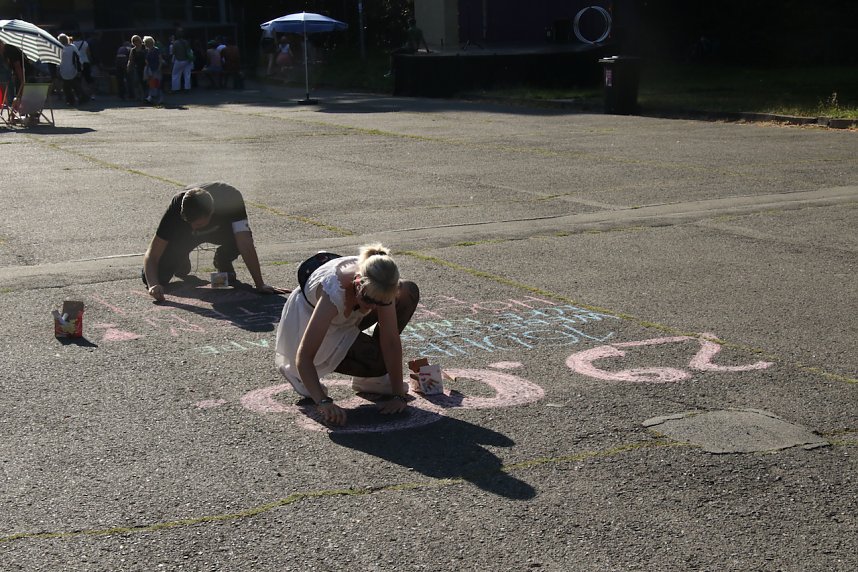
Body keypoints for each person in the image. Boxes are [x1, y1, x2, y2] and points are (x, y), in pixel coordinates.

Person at [274, 244, 420, 427]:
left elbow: (390, 341)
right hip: (315, 324)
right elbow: (304, 357)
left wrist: (399, 394)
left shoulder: (381, 282)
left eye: (380, 303)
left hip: (348, 313)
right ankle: (297, 375)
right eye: (369, 300)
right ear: (358, 282)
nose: (372, 308)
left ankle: (371, 379)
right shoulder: (333, 293)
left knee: (408, 292)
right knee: (371, 359)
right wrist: (323, 401)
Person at [143, 182, 286, 301]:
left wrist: (260, 284)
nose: (193, 226)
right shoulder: (176, 207)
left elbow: (245, 244)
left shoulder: (231, 199)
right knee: (153, 276)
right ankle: (181, 258)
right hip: (185, 238)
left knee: (242, 237)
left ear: (211, 212)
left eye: (197, 224)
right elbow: (153, 253)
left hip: (221, 232)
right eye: (188, 222)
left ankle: (223, 258)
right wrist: (153, 284)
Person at [57, 33, 88, 106]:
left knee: (66, 87)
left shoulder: (59, 48)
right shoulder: (72, 47)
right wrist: (79, 69)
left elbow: (57, 60)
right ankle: (82, 97)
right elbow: (78, 59)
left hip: (63, 69)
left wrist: (58, 69)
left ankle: (70, 100)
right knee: (76, 85)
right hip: (73, 68)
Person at [0, 38, 26, 104]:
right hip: (13, 72)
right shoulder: (3, 52)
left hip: (25, 70)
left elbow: (18, 66)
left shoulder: (11, 50)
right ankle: (10, 102)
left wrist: (22, 80)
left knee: (17, 89)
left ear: (2, 44)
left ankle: (12, 103)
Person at [142, 35, 162, 104]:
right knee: (152, 83)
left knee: (156, 83)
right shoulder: (147, 51)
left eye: (145, 43)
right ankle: (151, 97)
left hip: (155, 69)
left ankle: (156, 98)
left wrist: (159, 67)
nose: (145, 44)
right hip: (150, 69)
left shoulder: (156, 49)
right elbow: (146, 61)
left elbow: (160, 59)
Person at [127, 35, 147, 100]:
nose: (136, 42)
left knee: (145, 82)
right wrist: (129, 67)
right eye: (134, 41)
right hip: (137, 67)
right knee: (136, 82)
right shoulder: (133, 50)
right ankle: (138, 96)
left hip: (145, 66)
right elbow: (131, 59)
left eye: (136, 40)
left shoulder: (145, 47)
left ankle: (146, 95)